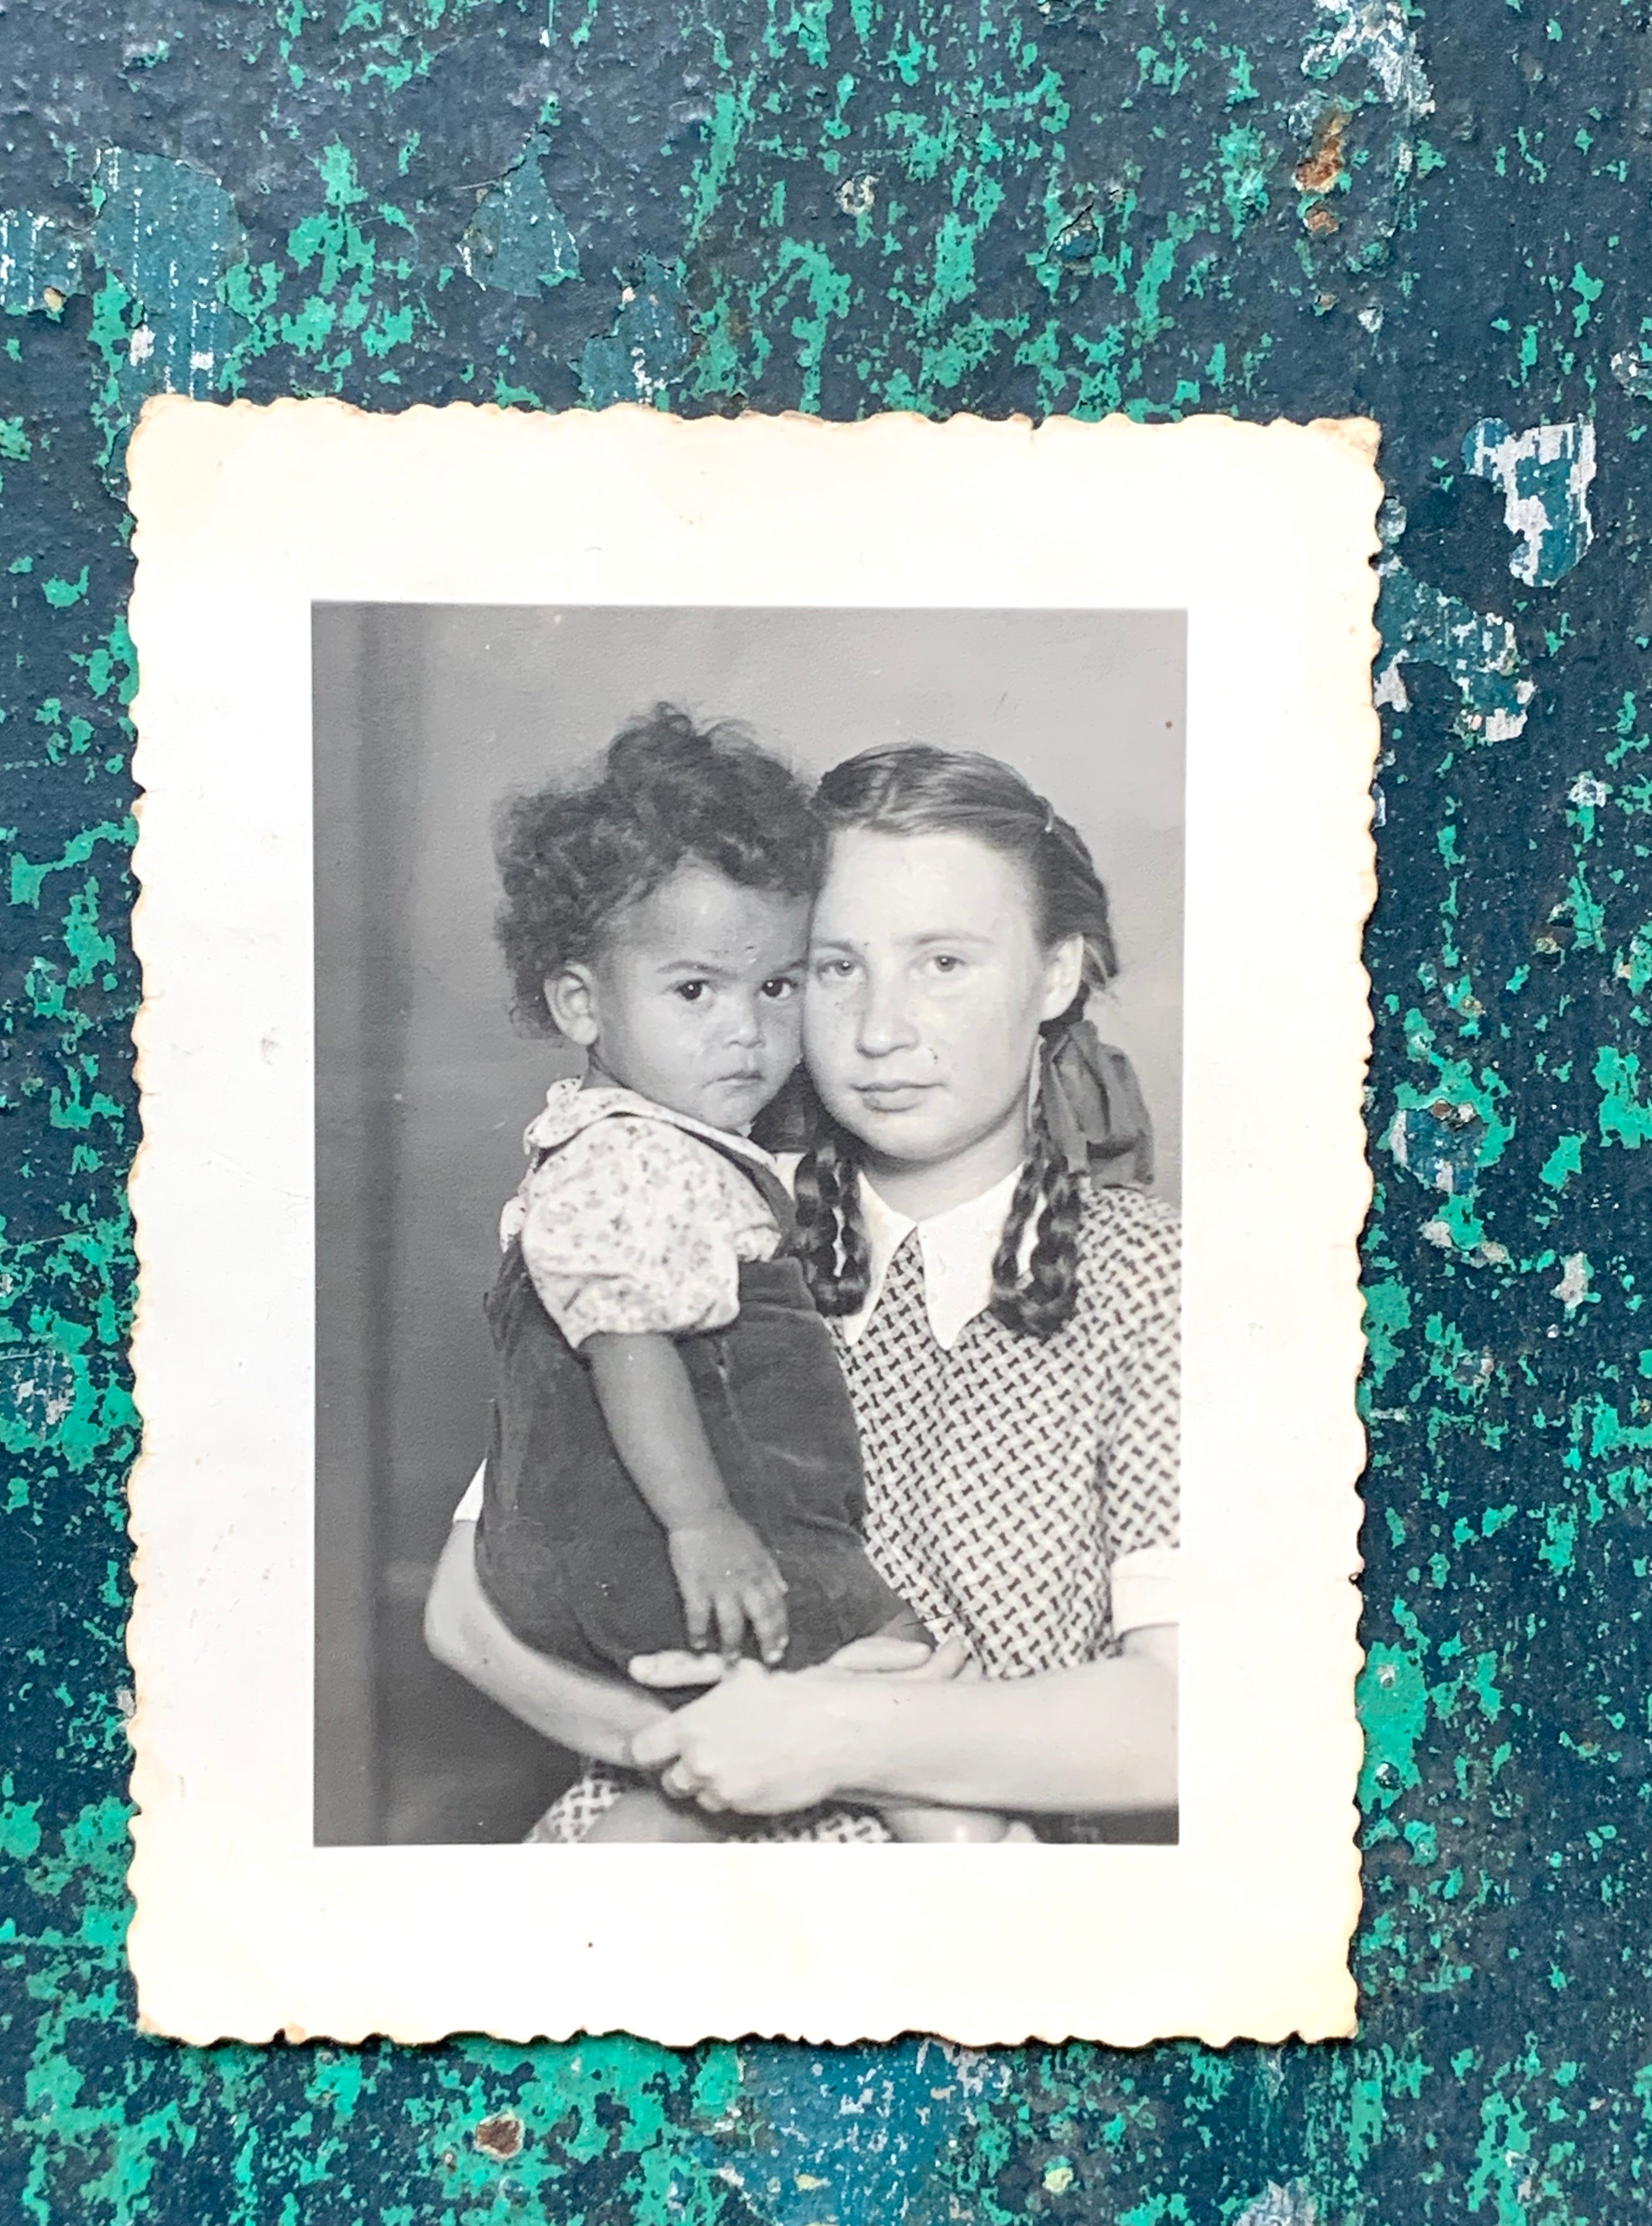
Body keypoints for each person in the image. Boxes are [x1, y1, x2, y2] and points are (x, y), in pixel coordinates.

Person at [429, 740, 1179, 1841]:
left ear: (1057, 973)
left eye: (945, 963)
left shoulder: (1159, 1279)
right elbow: (464, 1617)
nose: (882, 1030)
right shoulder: (700, 1211)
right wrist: (698, 1753)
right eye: (835, 969)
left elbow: (1186, 1717)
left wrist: (835, 1746)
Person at [471, 706, 1003, 1843]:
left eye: (775, 989)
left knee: (716, 1766)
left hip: (584, 1569)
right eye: (696, 992)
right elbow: (628, 1346)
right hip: (675, 1539)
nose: (747, 1036)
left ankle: (624, 1864)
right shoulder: (634, 1155)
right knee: (894, 1681)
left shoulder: (643, 1145)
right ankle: (973, 1851)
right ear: (580, 1005)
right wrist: (704, 1520)